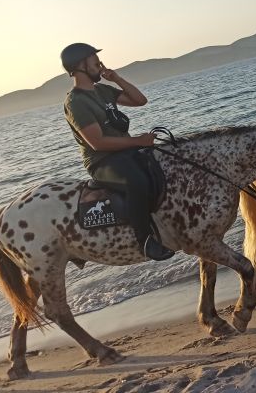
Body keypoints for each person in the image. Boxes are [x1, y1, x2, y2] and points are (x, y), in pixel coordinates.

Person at [61, 43, 174, 261]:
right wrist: (138, 141)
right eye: (95, 61)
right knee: (136, 181)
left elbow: (140, 101)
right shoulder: (76, 102)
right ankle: (145, 241)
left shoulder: (103, 91)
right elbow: (98, 143)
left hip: (126, 151)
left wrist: (116, 78)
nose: (100, 64)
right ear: (79, 66)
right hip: (103, 161)